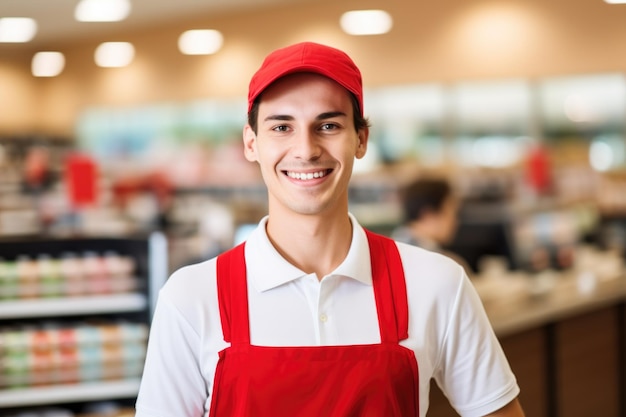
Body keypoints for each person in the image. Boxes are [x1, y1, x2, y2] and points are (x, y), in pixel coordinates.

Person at [134, 42, 525, 417]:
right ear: (251, 143)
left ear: (361, 138)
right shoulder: (190, 298)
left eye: (328, 125)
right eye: (281, 127)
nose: (305, 149)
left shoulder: (436, 282)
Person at [393, 176, 472, 273]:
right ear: (428, 215)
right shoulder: (441, 264)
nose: (456, 221)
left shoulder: (393, 250)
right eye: (452, 213)